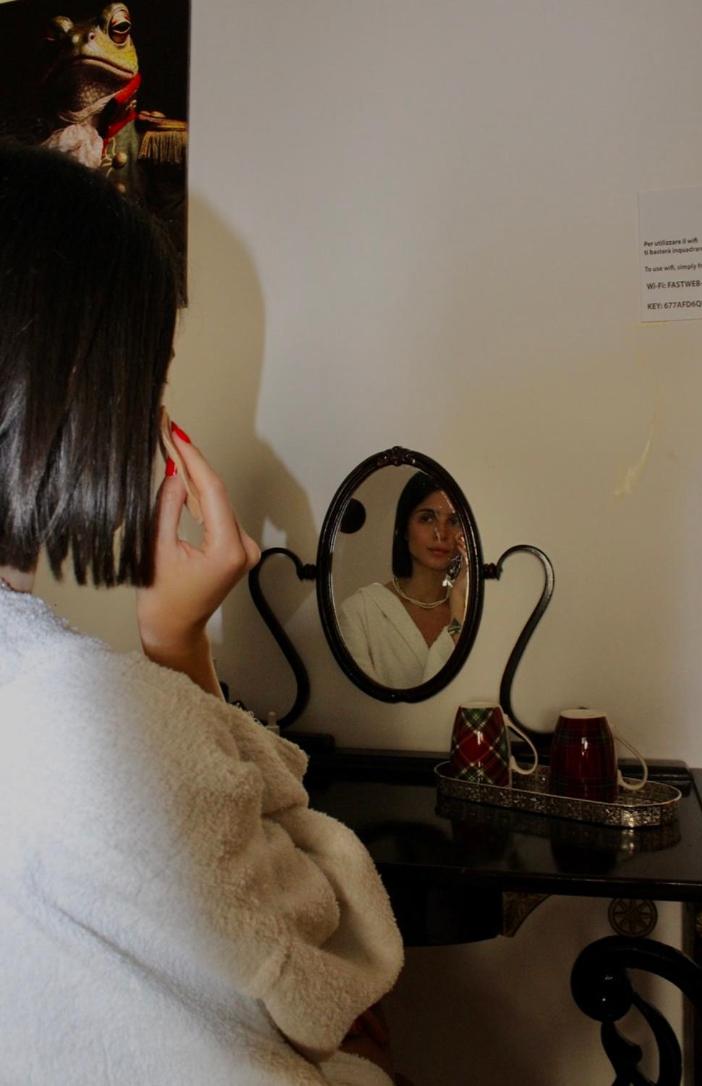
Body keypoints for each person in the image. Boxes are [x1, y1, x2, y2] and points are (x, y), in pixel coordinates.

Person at [0, 142, 406, 1085]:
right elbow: (328, 976)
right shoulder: (80, 722)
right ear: (70, 380)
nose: (152, 411)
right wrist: (179, 651)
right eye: (149, 370)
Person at [338, 472, 467, 688]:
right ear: (404, 529)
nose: (441, 533)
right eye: (427, 518)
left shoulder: (468, 610)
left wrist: (458, 600)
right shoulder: (360, 611)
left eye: (453, 521)